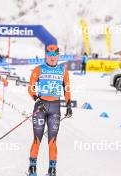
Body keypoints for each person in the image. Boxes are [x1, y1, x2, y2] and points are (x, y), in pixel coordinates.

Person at [27, 44, 73, 176]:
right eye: (50, 55)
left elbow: (67, 89)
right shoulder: (38, 69)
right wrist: (37, 99)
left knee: (52, 140)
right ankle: (32, 169)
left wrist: (69, 105)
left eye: (55, 55)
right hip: (40, 107)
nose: (52, 58)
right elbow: (31, 87)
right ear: (46, 56)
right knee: (37, 138)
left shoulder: (63, 70)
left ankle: (52, 170)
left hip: (55, 108)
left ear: (58, 56)